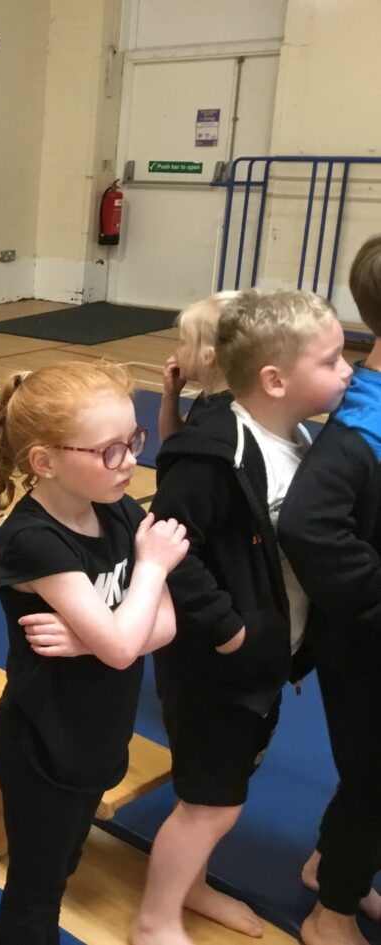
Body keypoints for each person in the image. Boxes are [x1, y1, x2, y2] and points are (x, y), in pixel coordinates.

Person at [134, 289, 353, 945]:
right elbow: (169, 549)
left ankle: (193, 885)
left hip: (261, 658)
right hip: (215, 668)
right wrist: (230, 631)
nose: (348, 370)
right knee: (211, 805)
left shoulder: (295, 437)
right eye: (332, 360)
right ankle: (155, 919)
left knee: (227, 788)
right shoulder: (214, 454)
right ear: (275, 380)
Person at [0, 361, 184, 944]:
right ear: (44, 461)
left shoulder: (118, 508)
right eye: (108, 451)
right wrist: (150, 570)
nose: (130, 463)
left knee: (66, 862)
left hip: (98, 733)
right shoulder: (33, 539)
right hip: (43, 743)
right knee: (36, 891)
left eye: (133, 442)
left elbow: (167, 624)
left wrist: (87, 640)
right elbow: (124, 646)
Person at [281, 236, 381, 945]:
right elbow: (309, 527)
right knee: (378, 778)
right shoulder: (359, 429)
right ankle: (332, 913)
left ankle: (329, 865)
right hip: (364, 639)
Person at [158, 291, 238, 441]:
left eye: (183, 343)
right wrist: (171, 395)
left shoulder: (217, 424)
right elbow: (174, 442)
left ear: (208, 356)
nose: (177, 350)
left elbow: (175, 446)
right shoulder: (216, 397)